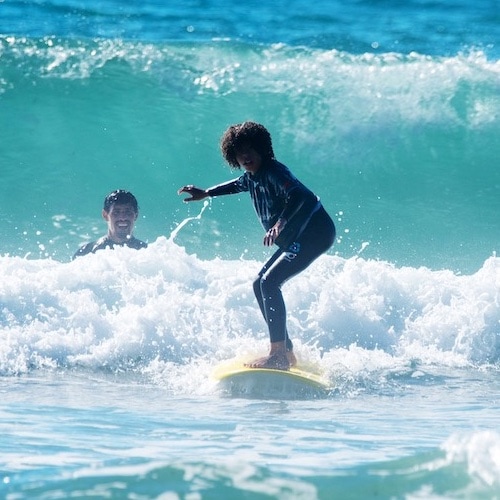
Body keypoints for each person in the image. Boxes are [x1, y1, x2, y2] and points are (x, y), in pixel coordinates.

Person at [178, 121, 335, 370]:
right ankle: (286, 350)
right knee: (259, 283)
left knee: (270, 283)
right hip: (297, 237)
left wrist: (280, 223)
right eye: (240, 152)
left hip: (314, 233)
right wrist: (207, 193)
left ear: (263, 149)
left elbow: (301, 196)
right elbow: (236, 185)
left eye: (250, 149)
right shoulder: (251, 177)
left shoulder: (275, 172)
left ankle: (277, 355)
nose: (245, 156)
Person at [73, 189, 147, 259]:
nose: (122, 218)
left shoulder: (147, 253)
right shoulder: (86, 254)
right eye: (116, 212)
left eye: (127, 212)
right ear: (105, 215)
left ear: (136, 215)